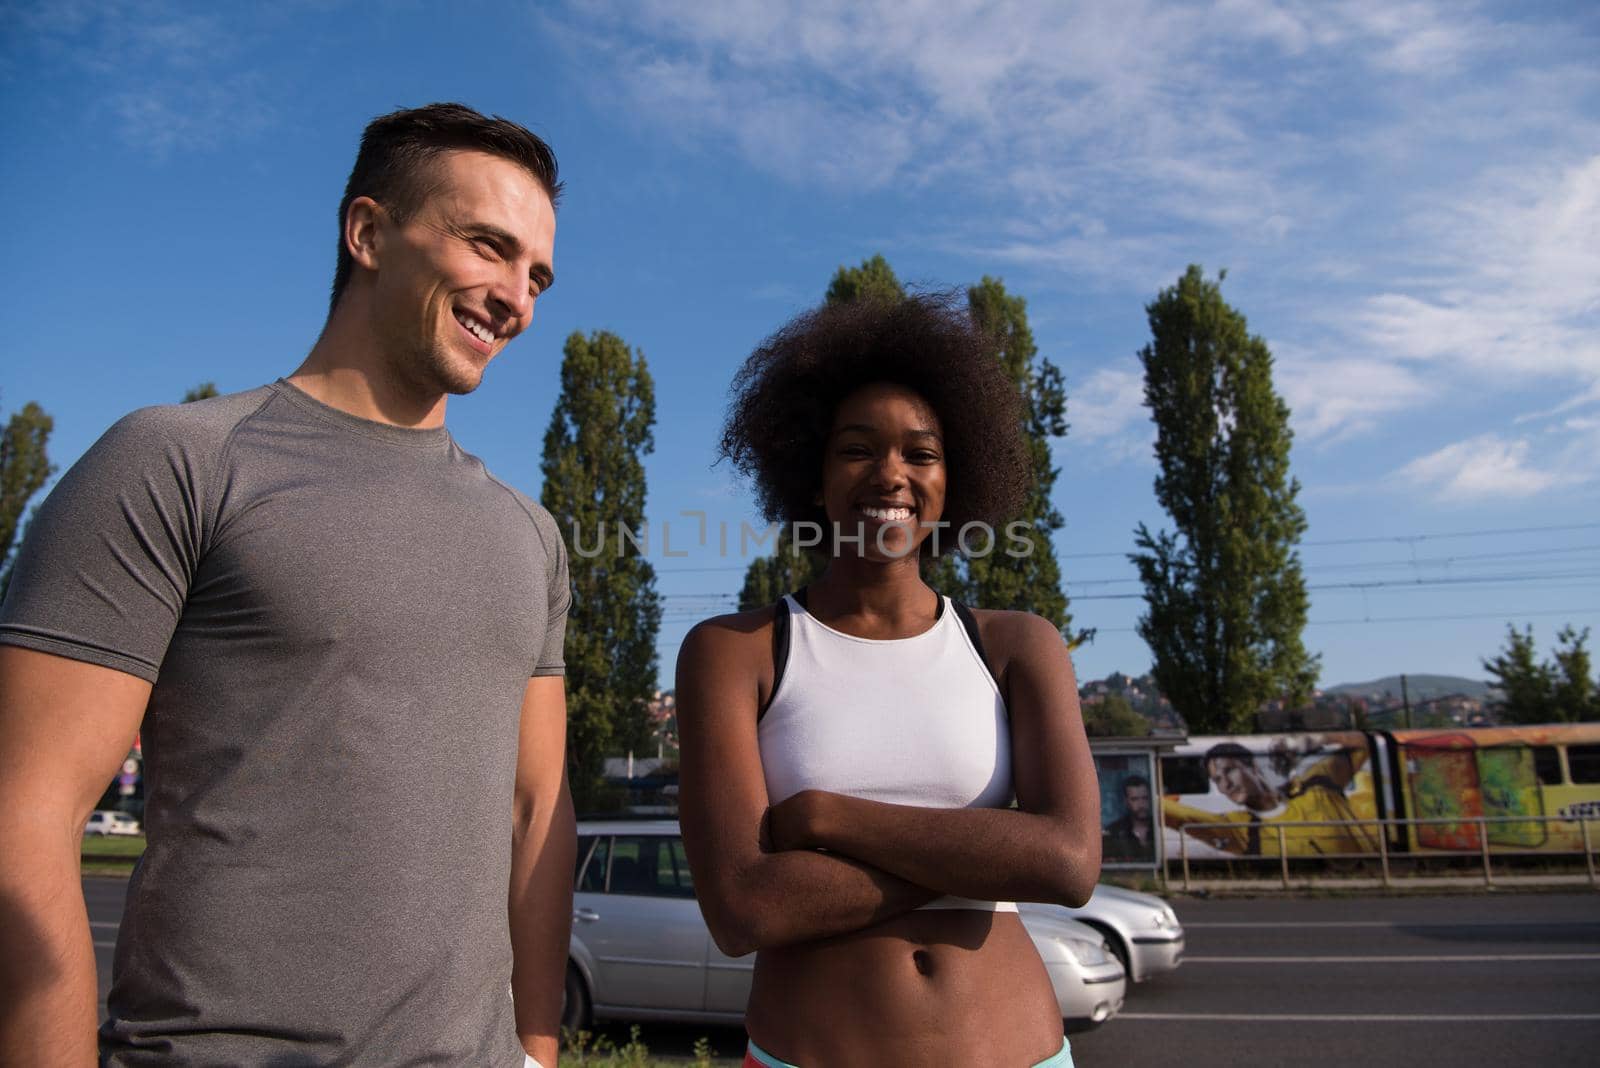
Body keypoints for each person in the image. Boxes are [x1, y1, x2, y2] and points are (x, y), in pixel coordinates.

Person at [0, 103, 575, 1066]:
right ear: (367, 234)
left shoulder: (532, 537)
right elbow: (26, 809)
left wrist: (535, 1049)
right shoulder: (176, 462)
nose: (517, 297)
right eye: (489, 246)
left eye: (538, 274)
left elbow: (536, 813)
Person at [675, 294, 1101, 1067]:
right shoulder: (734, 652)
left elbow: (1067, 863)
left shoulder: (1018, 646)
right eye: (857, 449)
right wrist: (986, 853)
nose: (891, 475)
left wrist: (829, 818)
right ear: (812, 475)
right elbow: (744, 909)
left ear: (954, 478)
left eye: (922, 453)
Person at [1163, 742, 1379, 856]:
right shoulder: (1240, 829)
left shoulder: (1317, 784)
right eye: (1216, 779)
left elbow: (1364, 746)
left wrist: (1315, 739)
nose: (1225, 785)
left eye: (1229, 771)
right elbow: (1167, 810)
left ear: (1253, 766)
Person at [1103, 774, 1156, 862]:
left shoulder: (1159, 827)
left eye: (1145, 798)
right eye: (1135, 799)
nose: (1141, 804)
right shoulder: (1114, 831)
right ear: (1126, 801)